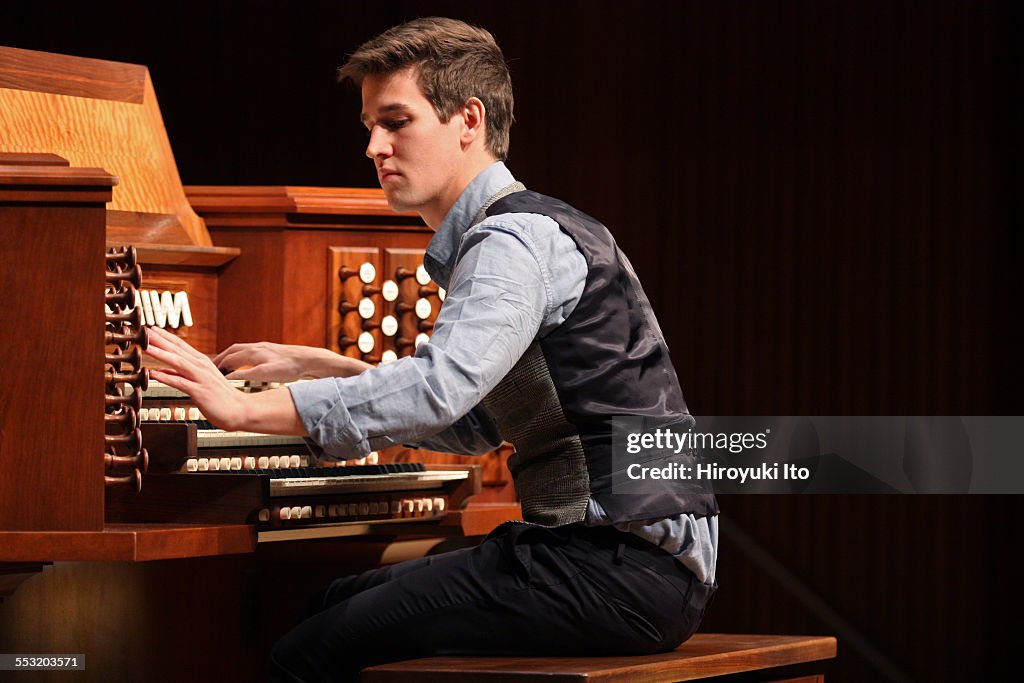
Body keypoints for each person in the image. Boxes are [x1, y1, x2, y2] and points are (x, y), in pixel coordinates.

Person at [146, 16, 718, 683]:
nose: (373, 147)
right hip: (618, 561)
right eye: (368, 126)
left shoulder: (510, 242)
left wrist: (247, 411)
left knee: (306, 653)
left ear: (468, 120)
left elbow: (437, 387)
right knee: (328, 605)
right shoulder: (523, 227)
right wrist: (329, 365)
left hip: (620, 567)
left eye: (395, 121)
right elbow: (478, 424)